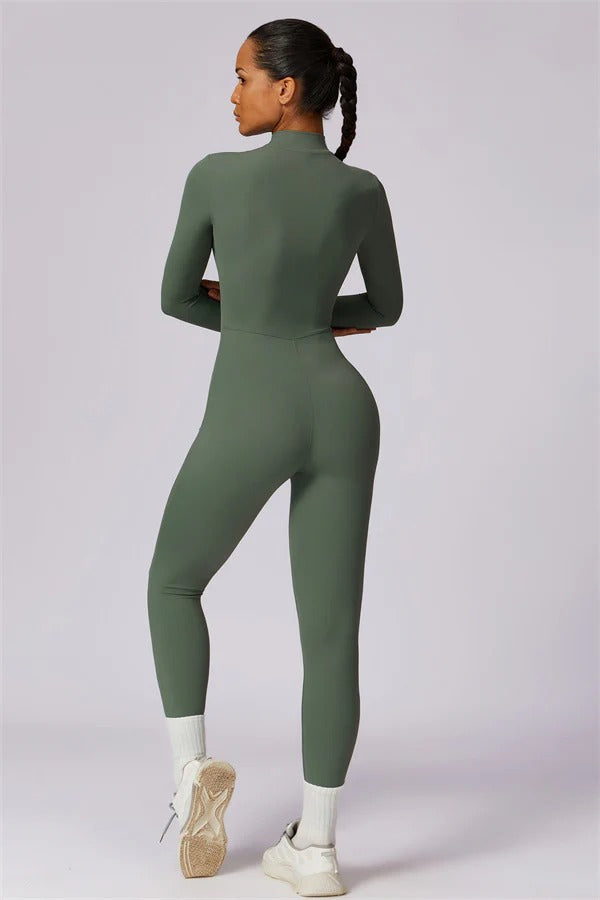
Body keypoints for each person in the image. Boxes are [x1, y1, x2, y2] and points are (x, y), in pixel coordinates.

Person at [147, 17, 403, 897]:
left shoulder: (216, 177)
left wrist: (249, 308)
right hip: (343, 409)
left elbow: (176, 296)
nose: (233, 95)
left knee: (173, 584)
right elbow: (386, 306)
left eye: (243, 77)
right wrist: (307, 314)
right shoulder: (361, 188)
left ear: (285, 89)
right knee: (331, 635)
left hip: (253, 406)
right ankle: (318, 849)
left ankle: (191, 776)